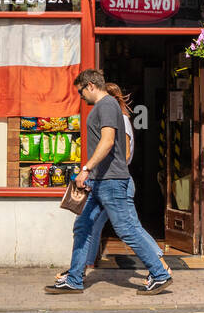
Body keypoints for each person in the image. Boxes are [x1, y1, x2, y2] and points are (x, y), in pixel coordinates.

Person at [47, 69, 172, 295]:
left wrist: (86, 169)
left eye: (80, 91)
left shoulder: (106, 106)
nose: (80, 96)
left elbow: (107, 141)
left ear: (90, 86)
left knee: (127, 230)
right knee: (83, 226)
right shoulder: (103, 107)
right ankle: (74, 278)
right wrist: (91, 175)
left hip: (112, 182)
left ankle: (160, 274)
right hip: (99, 182)